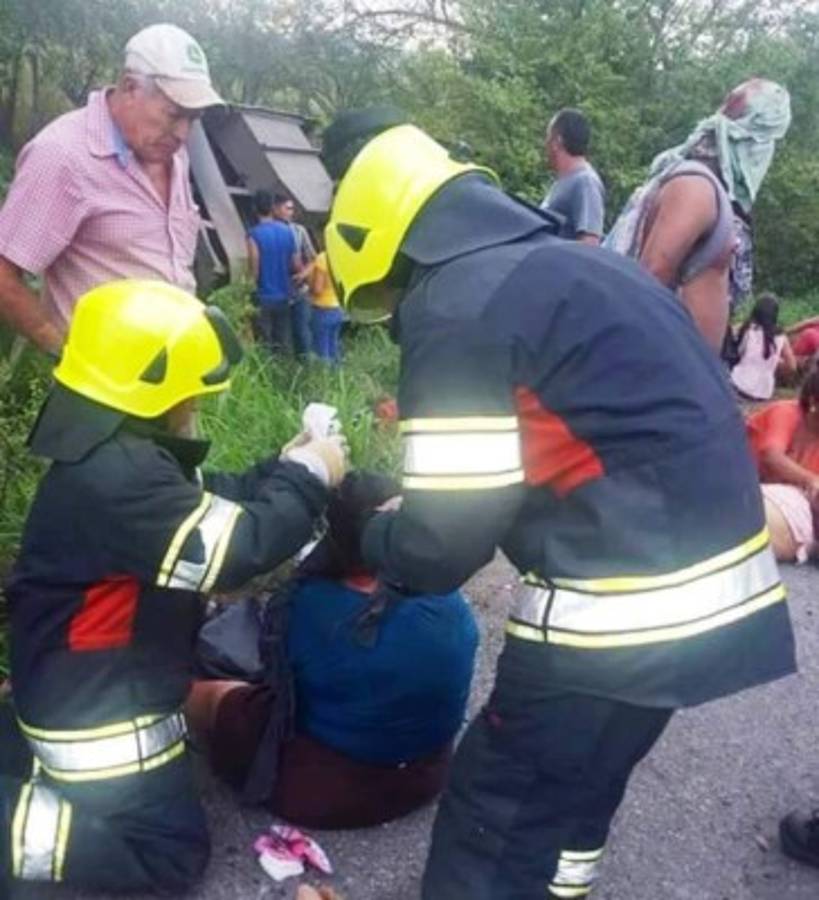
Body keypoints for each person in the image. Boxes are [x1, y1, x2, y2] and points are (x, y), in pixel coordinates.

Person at [321, 110, 795, 900]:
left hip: (615, 615)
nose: (401, 311)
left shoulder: (456, 306)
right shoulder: (580, 266)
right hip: (718, 594)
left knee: (495, 810)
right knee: (581, 788)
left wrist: (372, 535)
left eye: (391, 292)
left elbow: (440, 550)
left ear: (394, 247)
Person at [0, 280, 348, 894]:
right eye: (190, 394)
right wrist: (310, 476)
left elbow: (205, 503)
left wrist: (282, 467)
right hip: (97, 729)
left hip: (76, 691)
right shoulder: (117, 480)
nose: (194, 407)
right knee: (168, 859)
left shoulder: (106, 459)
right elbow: (237, 552)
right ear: (157, 394)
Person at [188, 471, 479, 829]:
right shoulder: (446, 591)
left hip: (328, 796)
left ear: (335, 535)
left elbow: (282, 690)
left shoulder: (313, 605)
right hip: (428, 777)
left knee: (213, 696)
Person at [0, 23, 224, 356]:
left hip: (174, 376)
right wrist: (62, 352)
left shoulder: (173, 154)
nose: (182, 133)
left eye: (193, 119)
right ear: (130, 86)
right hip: (103, 390)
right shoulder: (63, 156)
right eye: (174, 114)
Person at [606, 79, 791, 353]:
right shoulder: (696, 188)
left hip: (680, 375)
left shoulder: (704, 187)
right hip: (662, 373)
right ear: (757, 140)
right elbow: (648, 282)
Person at [746, 364, 819, 563]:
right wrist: (811, 480)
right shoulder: (786, 412)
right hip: (735, 483)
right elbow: (772, 457)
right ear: (814, 402)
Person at [248, 189, 302, 354]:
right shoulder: (287, 232)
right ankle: (286, 374)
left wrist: (248, 291)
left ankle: (268, 376)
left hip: (264, 296)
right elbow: (296, 264)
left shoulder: (253, 234)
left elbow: (254, 268)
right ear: (272, 208)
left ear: (255, 209)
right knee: (283, 340)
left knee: (265, 342)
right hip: (284, 295)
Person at [540, 108, 605, 244]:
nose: (545, 145)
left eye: (548, 138)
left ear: (557, 142)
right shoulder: (564, 181)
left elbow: (590, 243)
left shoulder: (586, 182)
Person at [272, 192, 317, 358]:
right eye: (287, 208)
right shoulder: (268, 231)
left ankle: (306, 370)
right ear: (275, 209)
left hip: (299, 291)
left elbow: (313, 259)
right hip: (278, 293)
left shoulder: (299, 231)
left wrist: (303, 274)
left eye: (291, 209)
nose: (290, 212)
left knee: (302, 333)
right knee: (281, 336)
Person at [729, 292, 796, 400]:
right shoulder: (780, 337)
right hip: (764, 393)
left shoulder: (746, 328)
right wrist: (773, 364)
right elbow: (792, 366)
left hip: (739, 384)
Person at [308, 249, 345, 363]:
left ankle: (324, 378)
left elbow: (318, 289)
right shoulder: (342, 257)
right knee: (333, 347)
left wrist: (309, 287)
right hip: (338, 308)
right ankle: (338, 378)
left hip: (323, 308)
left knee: (322, 350)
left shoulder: (323, 258)